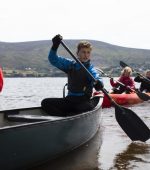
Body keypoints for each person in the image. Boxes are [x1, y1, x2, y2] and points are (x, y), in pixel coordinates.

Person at [41, 34, 104, 116]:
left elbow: (96, 77)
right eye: (83, 52)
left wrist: (99, 83)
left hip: (83, 101)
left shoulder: (90, 69)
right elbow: (53, 59)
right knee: (45, 102)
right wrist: (55, 45)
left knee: (79, 108)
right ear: (77, 53)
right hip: (70, 100)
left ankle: (69, 116)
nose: (86, 55)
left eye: (88, 52)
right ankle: (64, 118)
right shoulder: (70, 64)